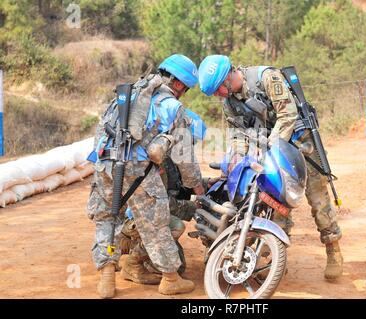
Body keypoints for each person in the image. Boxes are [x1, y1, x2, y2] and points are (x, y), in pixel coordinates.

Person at [197, 55, 343, 280]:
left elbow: (288, 115)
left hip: (301, 145)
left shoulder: (266, 77)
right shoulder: (229, 104)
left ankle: (333, 249)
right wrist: (238, 155)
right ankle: (276, 260)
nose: (218, 96)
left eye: (218, 89)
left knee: (318, 199)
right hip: (269, 152)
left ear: (228, 77)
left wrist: (267, 147)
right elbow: (237, 134)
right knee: (274, 203)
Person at [87, 54, 204, 298]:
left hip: (105, 164)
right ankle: (171, 279)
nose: (184, 93)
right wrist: (197, 187)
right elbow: (184, 156)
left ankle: (107, 277)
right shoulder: (172, 106)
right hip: (136, 169)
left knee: (107, 219)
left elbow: (100, 135)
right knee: (155, 224)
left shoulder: (128, 94)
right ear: (180, 84)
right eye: (186, 89)